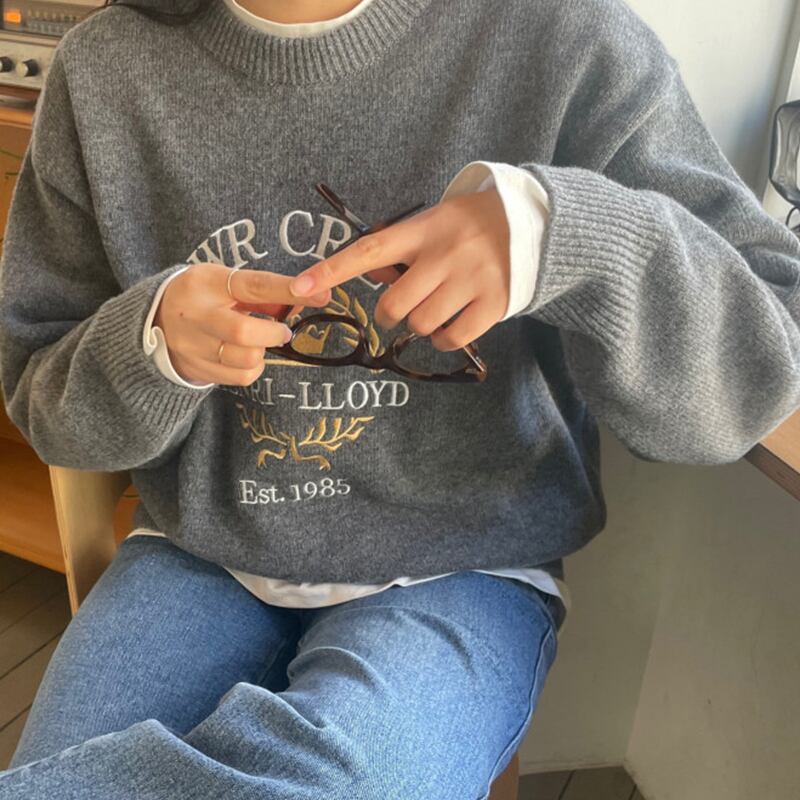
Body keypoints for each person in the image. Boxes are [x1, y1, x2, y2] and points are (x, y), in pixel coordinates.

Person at [0, 0, 798, 795]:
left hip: (463, 569)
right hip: (200, 554)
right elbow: (44, 397)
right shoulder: (103, 70)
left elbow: (762, 367)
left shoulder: (570, 38)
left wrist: (560, 236)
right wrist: (149, 343)